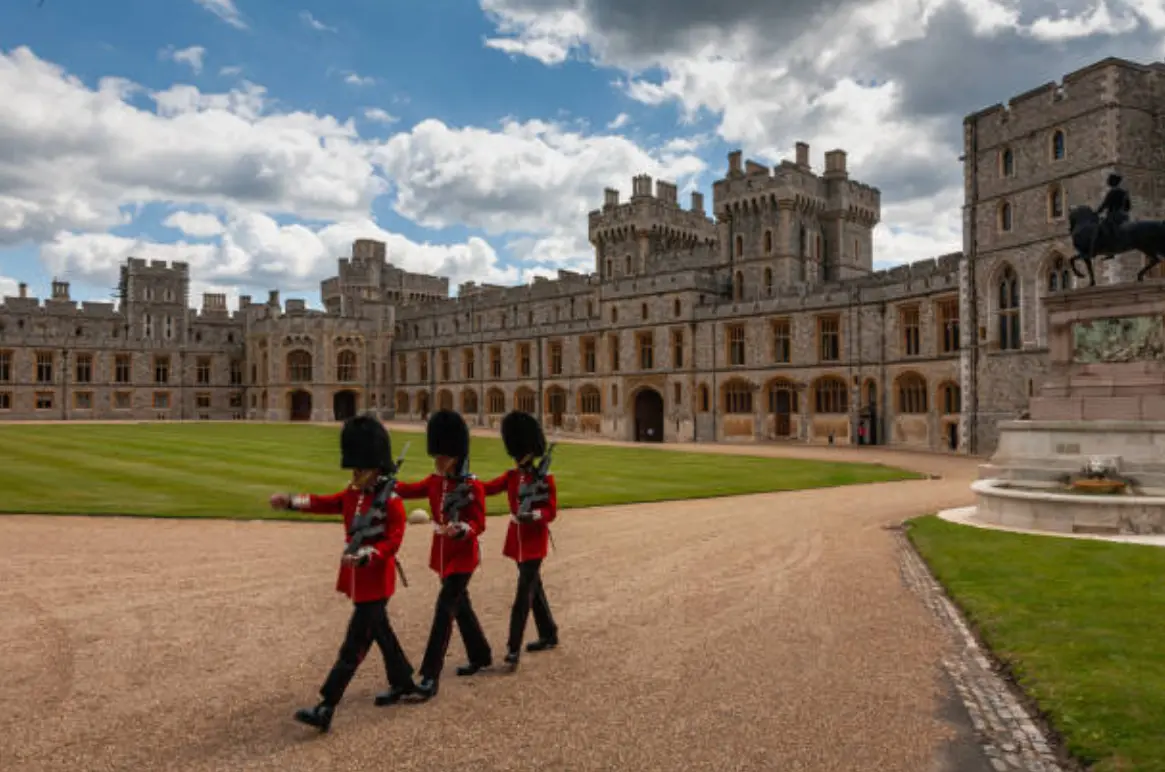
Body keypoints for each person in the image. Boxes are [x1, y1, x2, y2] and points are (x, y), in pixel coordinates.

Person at [270, 414, 417, 733]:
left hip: (376, 580)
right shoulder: (354, 495)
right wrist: (292, 502)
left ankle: (327, 705)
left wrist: (369, 554)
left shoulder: (391, 502)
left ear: (376, 468)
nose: (354, 475)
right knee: (382, 634)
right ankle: (405, 682)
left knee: (354, 646)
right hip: (358, 579)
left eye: (359, 470)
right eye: (353, 469)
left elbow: (393, 542)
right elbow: (324, 502)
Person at [394, 410, 491, 699]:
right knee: (461, 606)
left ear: (457, 456)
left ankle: (429, 676)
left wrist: (463, 528)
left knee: (444, 610)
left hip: (463, 555)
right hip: (442, 554)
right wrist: (384, 483)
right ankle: (481, 654)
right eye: (436, 456)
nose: (438, 461)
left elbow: (479, 523)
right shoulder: (435, 482)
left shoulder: (472, 486)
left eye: (443, 456)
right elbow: (406, 490)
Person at [481, 411, 560, 669]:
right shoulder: (512, 477)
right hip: (516, 540)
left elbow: (551, 511)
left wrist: (535, 515)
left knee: (523, 593)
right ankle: (549, 632)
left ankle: (513, 647)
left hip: (534, 541)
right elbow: (488, 488)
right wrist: (467, 485)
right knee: (534, 588)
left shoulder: (545, 479)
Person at [1095, 172, 1131, 256]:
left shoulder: (1112, 192)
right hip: (1125, 216)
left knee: (1100, 228)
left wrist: (1096, 213)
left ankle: (1109, 251)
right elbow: (1128, 207)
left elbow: (1104, 205)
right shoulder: (1124, 193)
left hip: (1114, 216)